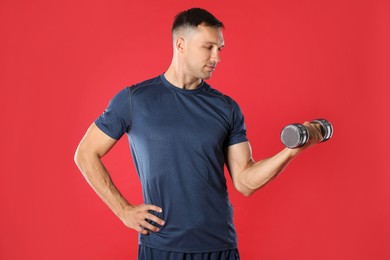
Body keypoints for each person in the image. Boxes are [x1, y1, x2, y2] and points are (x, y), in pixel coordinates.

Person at [74, 7, 323, 260]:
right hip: (161, 247)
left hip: (218, 246)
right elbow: (85, 154)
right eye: (208, 47)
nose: (217, 57)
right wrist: (123, 211)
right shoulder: (134, 100)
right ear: (180, 45)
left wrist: (292, 151)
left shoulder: (226, 107)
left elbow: (245, 182)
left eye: (220, 49)